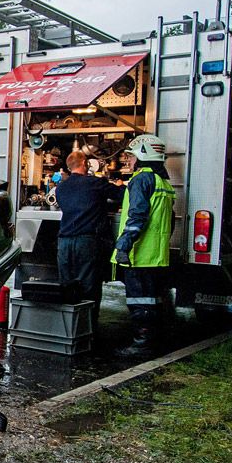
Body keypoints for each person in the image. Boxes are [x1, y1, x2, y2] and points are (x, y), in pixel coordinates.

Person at [111, 134, 176, 357]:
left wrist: (123, 245)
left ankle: (142, 345)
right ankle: (153, 341)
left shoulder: (141, 180)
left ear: (143, 156)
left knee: (139, 301)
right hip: (157, 256)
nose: (128, 161)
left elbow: (137, 215)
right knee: (153, 300)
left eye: (131, 156)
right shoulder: (163, 182)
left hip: (140, 254)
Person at [54, 150, 124, 330]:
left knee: (66, 285)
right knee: (88, 286)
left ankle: (67, 328)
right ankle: (87, 329)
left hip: (64, 241)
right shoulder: (96, 183)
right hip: (86, 241)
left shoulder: (61, 187)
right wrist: (120, 184)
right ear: (85, 164)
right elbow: (121, 195)